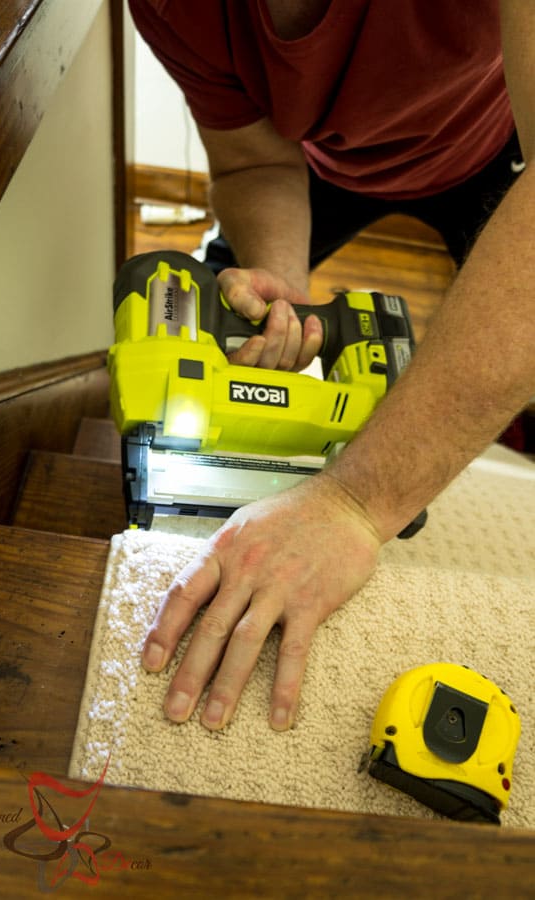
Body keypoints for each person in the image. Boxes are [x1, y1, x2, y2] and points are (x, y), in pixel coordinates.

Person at [130, 1, 535, 732]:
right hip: (322, 166)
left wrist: (355, 500)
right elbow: (253, 159)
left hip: (492, 146)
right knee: (227, 316)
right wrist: (277, 281)